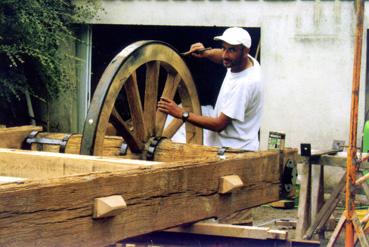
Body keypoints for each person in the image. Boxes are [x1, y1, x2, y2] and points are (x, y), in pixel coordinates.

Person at [157, 27, 263, 151]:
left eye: (231, 50)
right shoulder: (246, 61)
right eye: (224, 48)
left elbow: (219, 125)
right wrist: (206, 53)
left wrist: (181, 114)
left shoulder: (244, 85)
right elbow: (223, 56)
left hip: (232, 150)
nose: (225, 54)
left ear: (245, 51)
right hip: (225, 142)